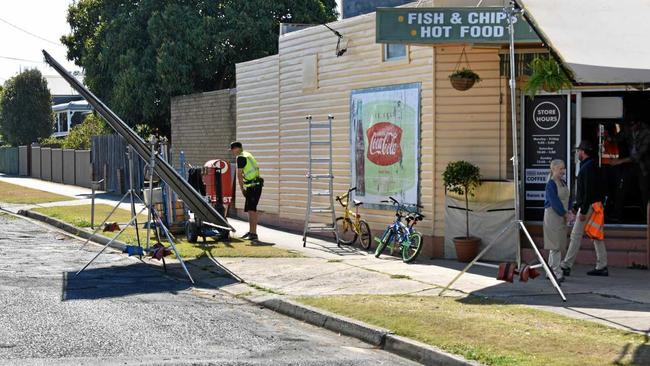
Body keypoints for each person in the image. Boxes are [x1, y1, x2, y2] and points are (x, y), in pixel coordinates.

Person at [561, 140, 608, 276]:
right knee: (596, 236)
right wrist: (577, 206)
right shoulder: (591, 166)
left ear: (583, 151)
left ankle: (566, 265)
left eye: (578, 151)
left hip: (589, 206)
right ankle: (602, 265)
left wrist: (583, 209)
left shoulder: (587, 167)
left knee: (575, 236)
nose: (577, 153)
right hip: (593, 205)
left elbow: (588, 191)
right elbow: (587, 190)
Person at [543, 159, 570, 283]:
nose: (563, 171)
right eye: (560, 169)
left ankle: (549, 271)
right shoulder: (551, 184)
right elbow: (554, 202)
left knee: (556, 245)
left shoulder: (563, 182)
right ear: (553, 169)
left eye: (563, 168)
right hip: (553, 217)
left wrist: (568, 212)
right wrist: (565, 214)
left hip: (561, 217)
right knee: (555, 246)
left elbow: (566, 200)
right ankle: (556, 273)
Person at [230, 141, 263, 241]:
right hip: (255, 185)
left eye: (232, 149)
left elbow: (239, 175)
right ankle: (251, 231)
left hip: (252, 187)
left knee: (252, 210)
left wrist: (241, 189)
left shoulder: (240, 157)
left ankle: (253, 234)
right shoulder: (247, 154)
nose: (232, 152)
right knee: (251, 210)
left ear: (237, 149)